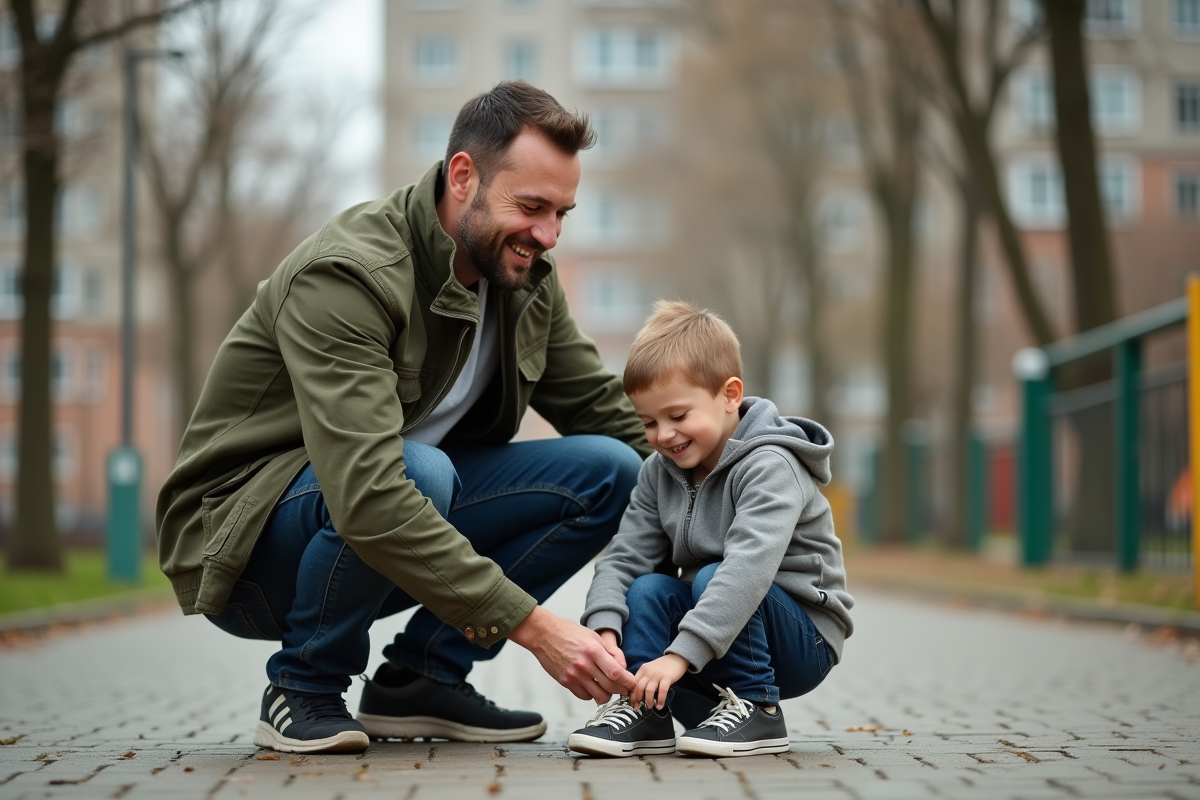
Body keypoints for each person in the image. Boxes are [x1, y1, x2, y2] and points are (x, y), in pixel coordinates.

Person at [155, 82, 652, 755]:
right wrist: (535, 629)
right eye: (532, 207)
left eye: (561, 213)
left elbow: (611, 415)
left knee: (614, 472)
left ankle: (422, 678)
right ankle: (302, 687)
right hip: (249, 551)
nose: (548, 234)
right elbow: (368, 493)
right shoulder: (349, 274)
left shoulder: (525, 281)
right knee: (418, 471)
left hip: (395, 516)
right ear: (463, 176)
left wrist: (735, 499)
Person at [567, 301, 854, 758]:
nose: (663, 435)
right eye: (649, 422)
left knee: (713, 575)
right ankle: (646, 708)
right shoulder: (658, 472)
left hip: (802, 641)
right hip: (715, 635)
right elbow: (624, 556)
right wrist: (605, 627)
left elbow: (747, 569)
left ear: (730, 395)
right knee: (646, 589)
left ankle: (759, 708)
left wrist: (678, 656)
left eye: (678, 416)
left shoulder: (771, 465)